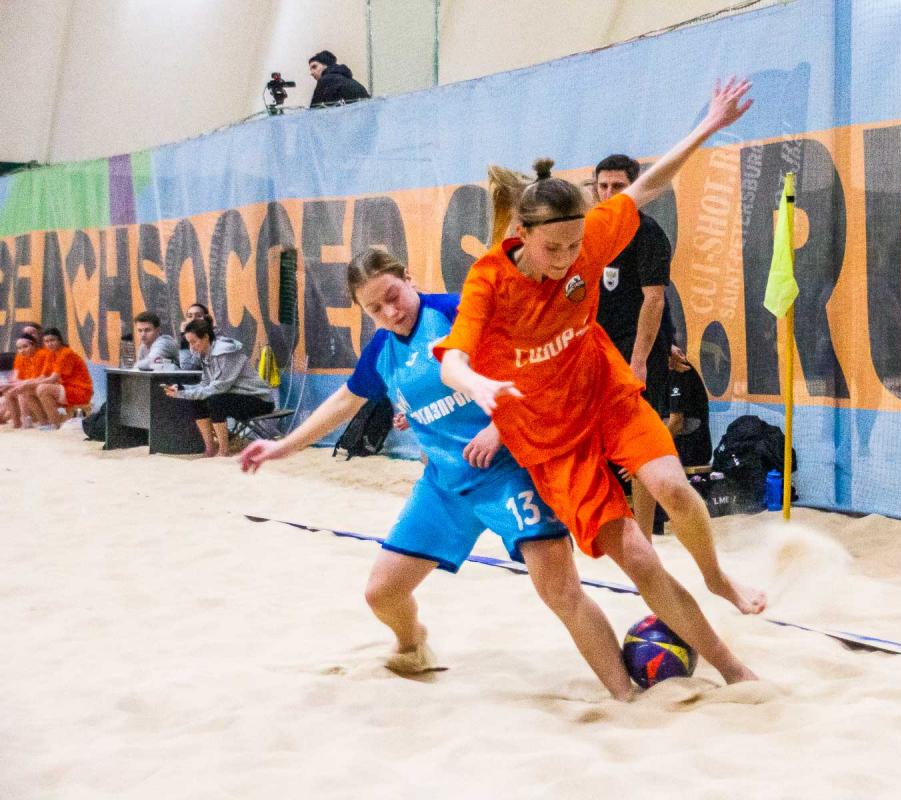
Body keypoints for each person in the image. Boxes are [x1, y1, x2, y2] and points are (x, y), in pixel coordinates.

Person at [437, 78, 764, 687]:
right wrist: (477, 386)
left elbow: (649, 185)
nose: (568, 258)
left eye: (575, 245)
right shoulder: (489, 281)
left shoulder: (586, 239)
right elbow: (452, 358)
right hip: (551, 440)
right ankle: (728, 666)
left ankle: (718, 583)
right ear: (522, 235)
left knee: (672, 486)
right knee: (639, 560)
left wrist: (708, 125)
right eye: (553, 249)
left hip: (604, 393)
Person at [239, 248, 632, 698]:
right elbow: (344, 402)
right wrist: (283, 446)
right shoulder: (382, 351)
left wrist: (499, 428)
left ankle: (625, 696)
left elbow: (532, 368)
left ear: (409, 278)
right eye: (375, 309)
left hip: (508, 473)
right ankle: (413, 646)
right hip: (444, 486)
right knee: (382, 593)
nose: (390, 312)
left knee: (560, 591)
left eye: (393, 296)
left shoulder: (455, 313)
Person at [593, 153, 676, 540]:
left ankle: (644, 533)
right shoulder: (589, 231)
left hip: (637, 349)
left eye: (619, 186)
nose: (610, 193)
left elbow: (654, 300)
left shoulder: (648, 234)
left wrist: (639, 359)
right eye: (603, 186)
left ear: (636, 186)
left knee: (642, 440)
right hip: (597, 346)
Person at [164, 320, 273, 457]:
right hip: (234, 397)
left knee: (215, 401)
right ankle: (210, 449)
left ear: (206, 337)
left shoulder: (225, 352)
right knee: (197, 401)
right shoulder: (205, 354)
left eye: (194, 342)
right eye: (189, 343)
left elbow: (218, 388)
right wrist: (181, 389)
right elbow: (205, 384)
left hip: (260, 400)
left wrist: (183, 394)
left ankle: (223, 451)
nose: (192, 347)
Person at [27, 327, 94, 428]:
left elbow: (52, 379)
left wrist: (23, 385)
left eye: (52, 340)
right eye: (46, 341)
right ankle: (44, 423)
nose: (49, 344)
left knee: (42, 389)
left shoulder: (66, 353)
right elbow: (42, 376)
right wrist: (22, 385)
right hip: (65, 389)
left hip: (80, 391)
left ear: (60, 340)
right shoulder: (51, 354)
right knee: (27, 391)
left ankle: (55, 423)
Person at [1, 332, 47, 427]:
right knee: (8, 392)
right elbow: (16, 379)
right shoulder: (20, 358)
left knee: (22, 390)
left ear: (34, 345)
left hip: (42, 384)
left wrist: (21, 384)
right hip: (28, 384)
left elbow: (41, 378)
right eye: (19, 348)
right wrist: (8, 385)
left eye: (25, 347)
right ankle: (17, 424)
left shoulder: (42, 355)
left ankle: (27, 419)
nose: (22, 350)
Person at [178, 303, 213, 370]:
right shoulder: (190, 337)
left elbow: (187, 366)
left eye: (198, 316)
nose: (193, 319)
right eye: (190, 316)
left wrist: (183, 337)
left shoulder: (209, 338)